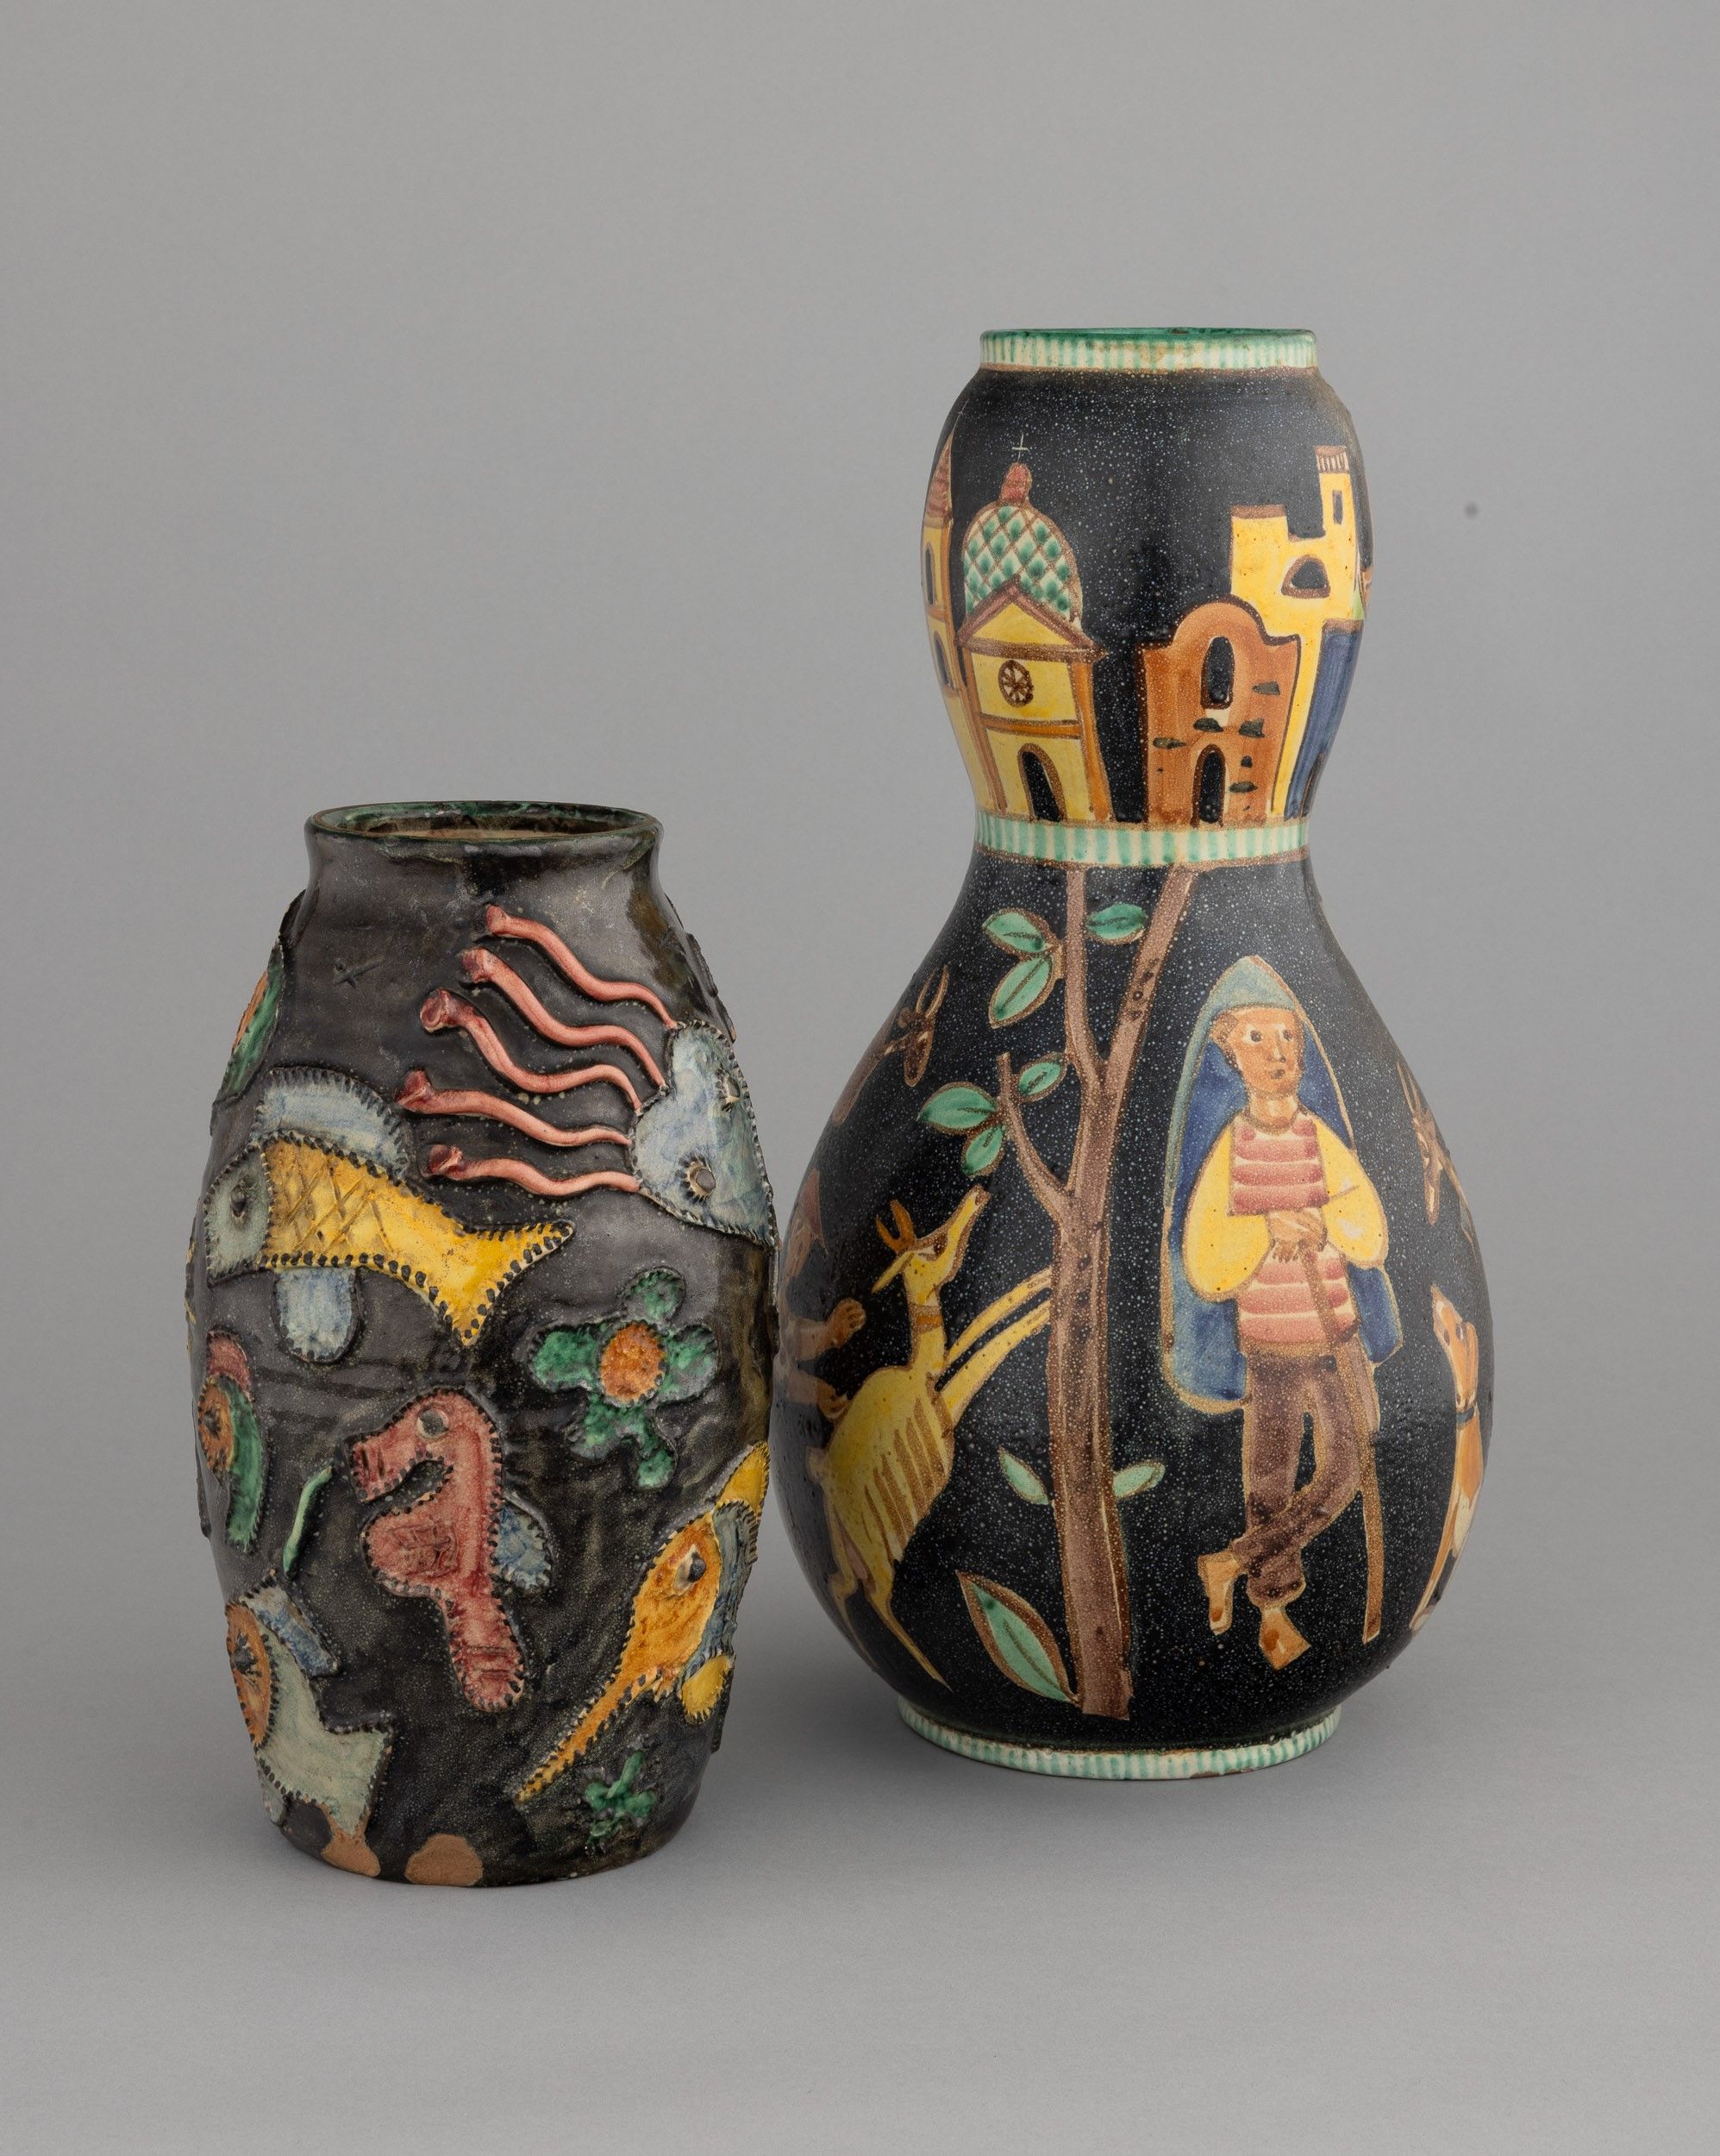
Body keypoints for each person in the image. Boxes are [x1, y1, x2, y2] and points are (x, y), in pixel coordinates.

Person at [1178, 995, 1391, 1668]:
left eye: (1288, 1039)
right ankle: (1271, 1612)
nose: (1277, 1053)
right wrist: (1267, 1227)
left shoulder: (1316, 1136)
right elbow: (1203, 1255)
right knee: (1268, 1479)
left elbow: (1366, 1222)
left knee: (1350, 1458)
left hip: (1336, 1333)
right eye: (1257, 1040)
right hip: (1269, 1340)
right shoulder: (1232, 1147)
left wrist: (1324, 1220)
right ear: (1231, 1057)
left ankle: (1228, 1562)